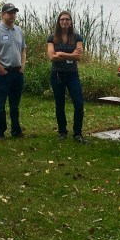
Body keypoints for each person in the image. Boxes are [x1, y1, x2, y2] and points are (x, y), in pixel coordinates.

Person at [47, 10, 86, 143]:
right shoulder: (52, 38)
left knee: (79, 104)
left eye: (67, 19)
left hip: (72, 75)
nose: (64, 21)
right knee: (60, 104)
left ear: (70, 22)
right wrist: (70, 54)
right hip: (57, 74)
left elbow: (79, 57)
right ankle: (62, 131)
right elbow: (52, 57)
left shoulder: (77, 37)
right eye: (62, 19)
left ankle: (77, 133)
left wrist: (61, 53)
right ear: (59, 21)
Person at [0, 3, 27, 139]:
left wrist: (22, 66)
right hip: (3, 73)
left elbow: (23, 49)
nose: (12, 15)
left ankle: (16, 131)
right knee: (0, 105)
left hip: (17, 73)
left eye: (14, 13)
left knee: (15, 105)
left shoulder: (18, 30)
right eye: (9, 13)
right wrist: (0, 69)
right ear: (2, 14)